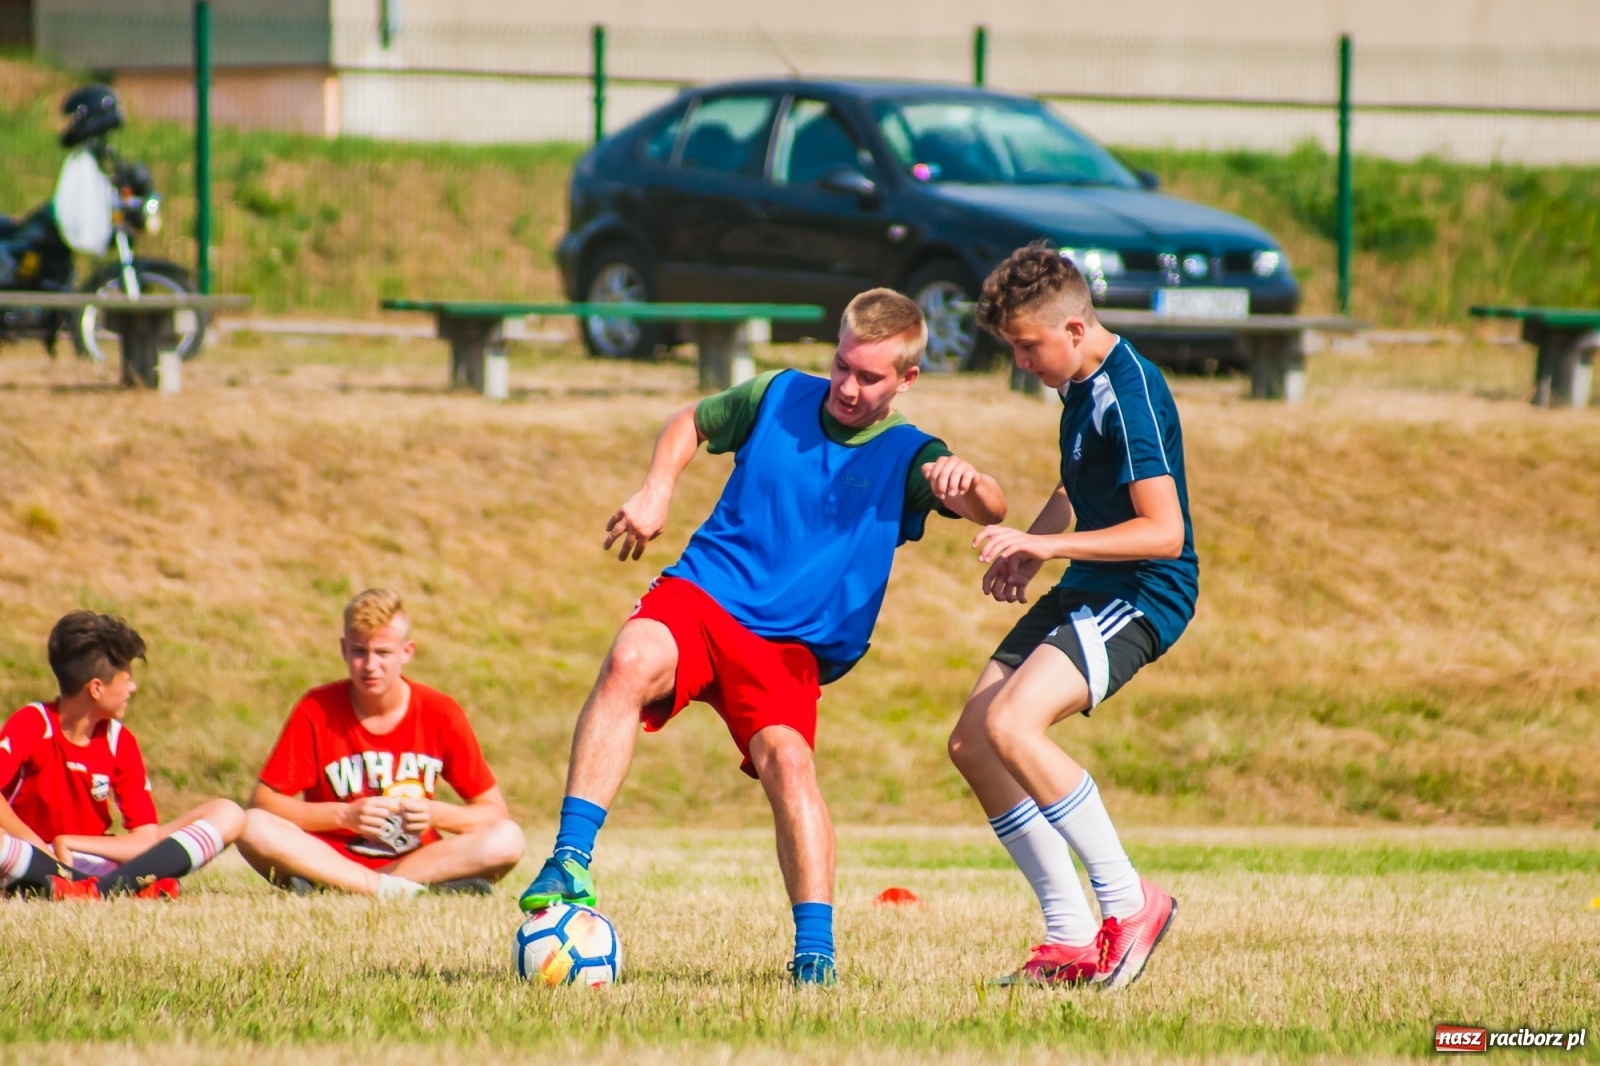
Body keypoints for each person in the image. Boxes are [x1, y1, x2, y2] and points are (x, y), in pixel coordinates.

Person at [517, 288, 1009, 984]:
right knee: (630, 657)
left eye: (869, 377)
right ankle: (569, 860)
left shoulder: (910, 454)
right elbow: (689, 420)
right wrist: (658, 488)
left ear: (907, 380)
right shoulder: (778, 394)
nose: (846, 385)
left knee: (790, 764)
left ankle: (815, 955)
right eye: (842, 365)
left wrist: (972, 482)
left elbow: (985, 504)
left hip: (786, 647)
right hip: (706, 594)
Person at [947, 242, 1196, 989]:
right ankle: (1070, 935)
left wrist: (1046, 545)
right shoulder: (1079, 387)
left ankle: (1131, 902)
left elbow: (1165, 531)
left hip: (1142, 592)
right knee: (973, 743)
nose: (1022, 362)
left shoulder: (1131, 390)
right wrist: (1035, 545)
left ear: (1076, 330)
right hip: (1090, 582)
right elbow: (1081, 479)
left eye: (1029, 346)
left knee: (1012, 726)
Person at [240, 589, 525, 898]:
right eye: (360, 651)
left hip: (415, 860)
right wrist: (345, 816)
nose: (370, 665)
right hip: (327, 858)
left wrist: (436, 814)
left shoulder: (440, 711)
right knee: (251, 825)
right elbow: (264, 803)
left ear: (407, 651)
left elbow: (494, 813)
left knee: (508, 838)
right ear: (344, 649)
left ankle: (345, 887)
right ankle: (394, 889)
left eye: (383, 653)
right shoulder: (316, 708)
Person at [0, 610, 245, 900]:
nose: (132, 687)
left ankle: (95, 890)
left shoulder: (120, 741)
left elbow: (146, 840)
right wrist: (42, 848)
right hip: (28, 855)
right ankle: (122, 887)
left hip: (87, 857)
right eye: (126, 678)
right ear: (96, 688)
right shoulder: (33, 722)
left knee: (229, 814)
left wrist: (70, 843)